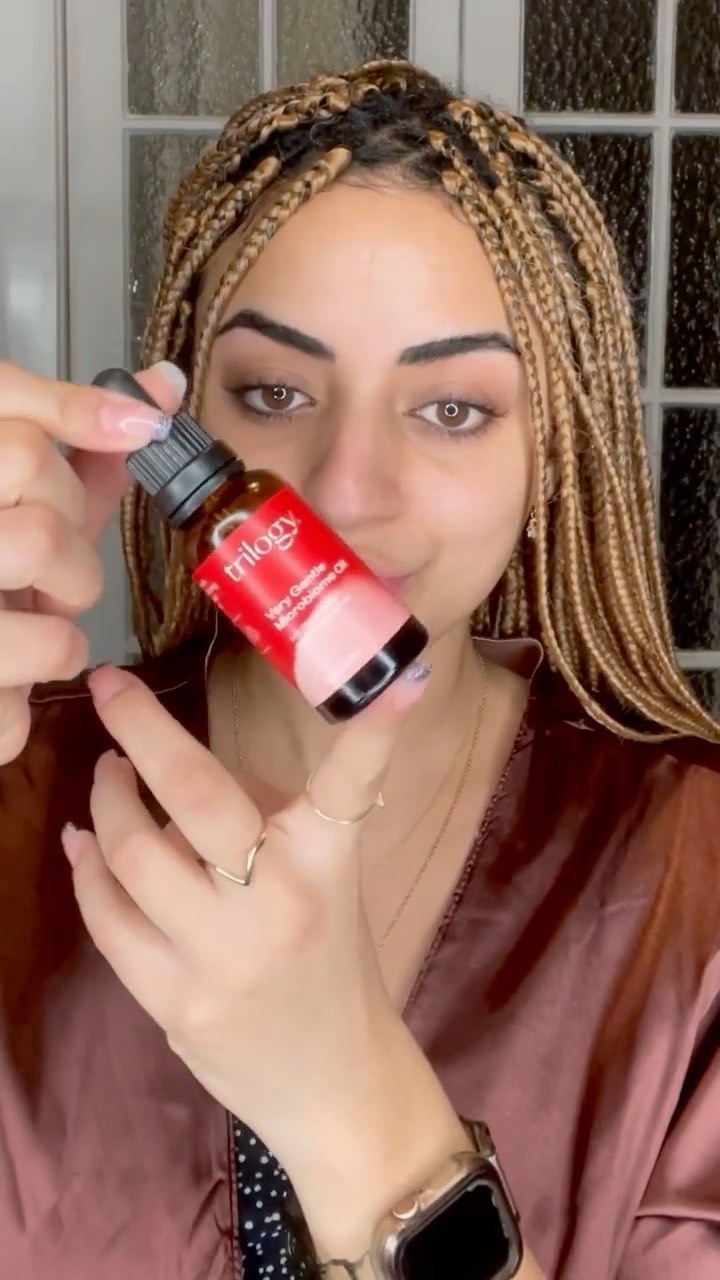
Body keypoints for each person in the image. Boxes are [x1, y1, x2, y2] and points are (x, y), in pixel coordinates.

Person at [0, 58, 717, 1280]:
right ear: (190, 422)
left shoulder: (691, 876)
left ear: (554, 451)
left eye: (452, 409)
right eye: (275, 391)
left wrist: (361, 1121)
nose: (342, 492)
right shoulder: (26, 788)